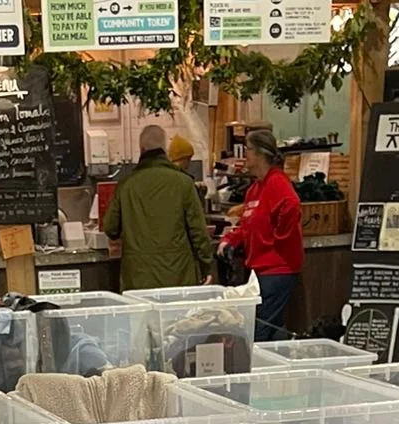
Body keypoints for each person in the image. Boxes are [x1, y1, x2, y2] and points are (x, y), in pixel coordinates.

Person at [105, 125, 214, 291]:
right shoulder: (184, 183)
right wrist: (207, 267)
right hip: (179, 277)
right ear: (164, 148)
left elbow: (110, 228)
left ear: (141, 149)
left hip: (138, 278)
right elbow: (198, 231)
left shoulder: (126, 185)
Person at [221, 127, 304, 341]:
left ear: (260, 153)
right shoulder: (254, 190)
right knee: (271, 328)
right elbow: (246, 224)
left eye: (247, 149)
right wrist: (230, 240)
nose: (245, 155)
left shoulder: (276, 182)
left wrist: (278, 239)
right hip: (260, 270)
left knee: (258, 331)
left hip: (277, 270)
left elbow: (292, 205)